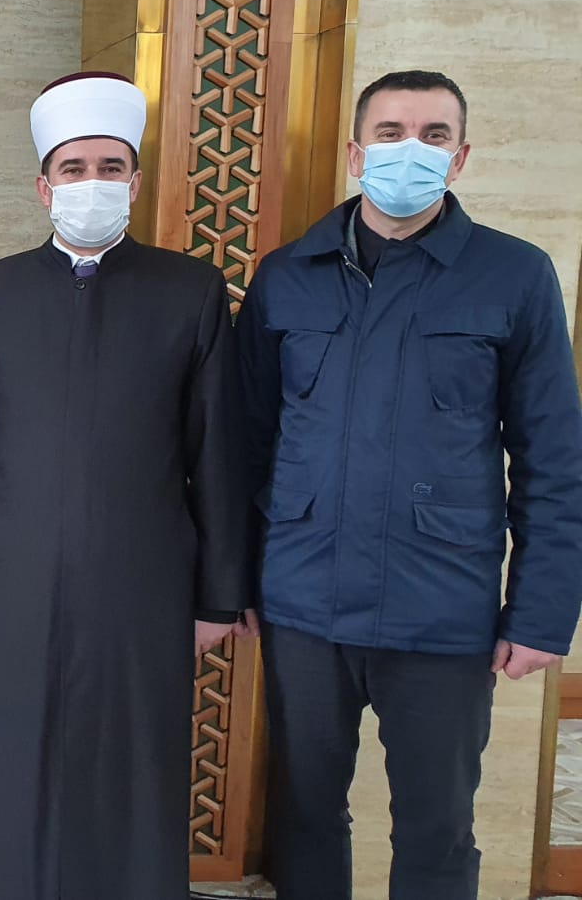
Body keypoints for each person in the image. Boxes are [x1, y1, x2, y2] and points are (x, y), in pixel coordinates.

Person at [238, 69, 582, 900]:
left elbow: (553, 458)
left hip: (442, 610)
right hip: (303, 603)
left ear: (460, 158)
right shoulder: (286, 275)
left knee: (436, 828)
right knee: (304, 817)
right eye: (390, 133)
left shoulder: (514, 275)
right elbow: (245, 445)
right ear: (355, 153)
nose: (410, 150)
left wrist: (540, 612)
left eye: (433, 136)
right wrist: (234, 582)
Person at [0, 71, 254, 899]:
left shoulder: (191, 291)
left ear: (135, 183)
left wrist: (219, 596)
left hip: (142, 589)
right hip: (10, 588)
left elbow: (218, 452)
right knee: (9, 772)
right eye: (73, 168)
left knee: (130, 774)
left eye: (111, 167)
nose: (92, 183)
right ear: (44, 186)